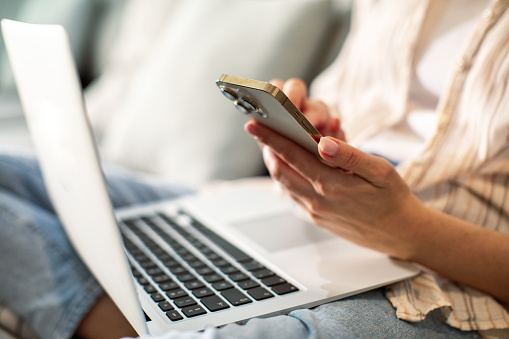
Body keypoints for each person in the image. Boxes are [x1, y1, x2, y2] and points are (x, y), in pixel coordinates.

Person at [1, 0, 509, 338]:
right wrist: (319, 130)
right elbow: (365, 104)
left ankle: (126, 320)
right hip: (315, 210)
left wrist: (409, 230)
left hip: (448, 271)